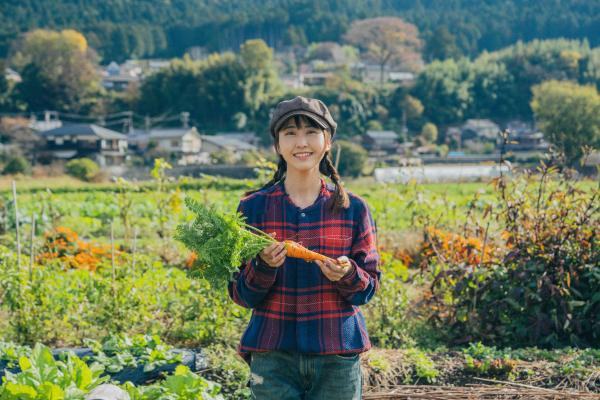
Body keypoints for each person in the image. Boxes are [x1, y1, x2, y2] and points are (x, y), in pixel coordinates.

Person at [228, 96, 381, 400]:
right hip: (272, 357)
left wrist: (348, 275)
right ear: (277, 145)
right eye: (290, 133)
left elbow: (368, 289)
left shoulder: (353, 209)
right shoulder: (253, 209)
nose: (301, 142)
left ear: (328, 142)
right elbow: (240, 295)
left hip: (336, 355)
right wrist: (263, 267)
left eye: (311, 131)